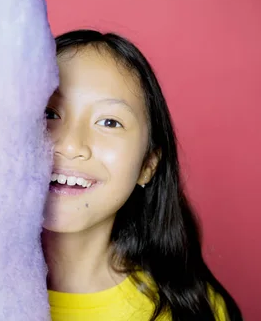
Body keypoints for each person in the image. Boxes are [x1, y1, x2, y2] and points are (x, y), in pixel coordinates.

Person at [41, 29, 243, 321]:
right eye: (50, 114)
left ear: (147, 165)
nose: (71, 145)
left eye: (109, 122)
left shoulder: (194, 313)